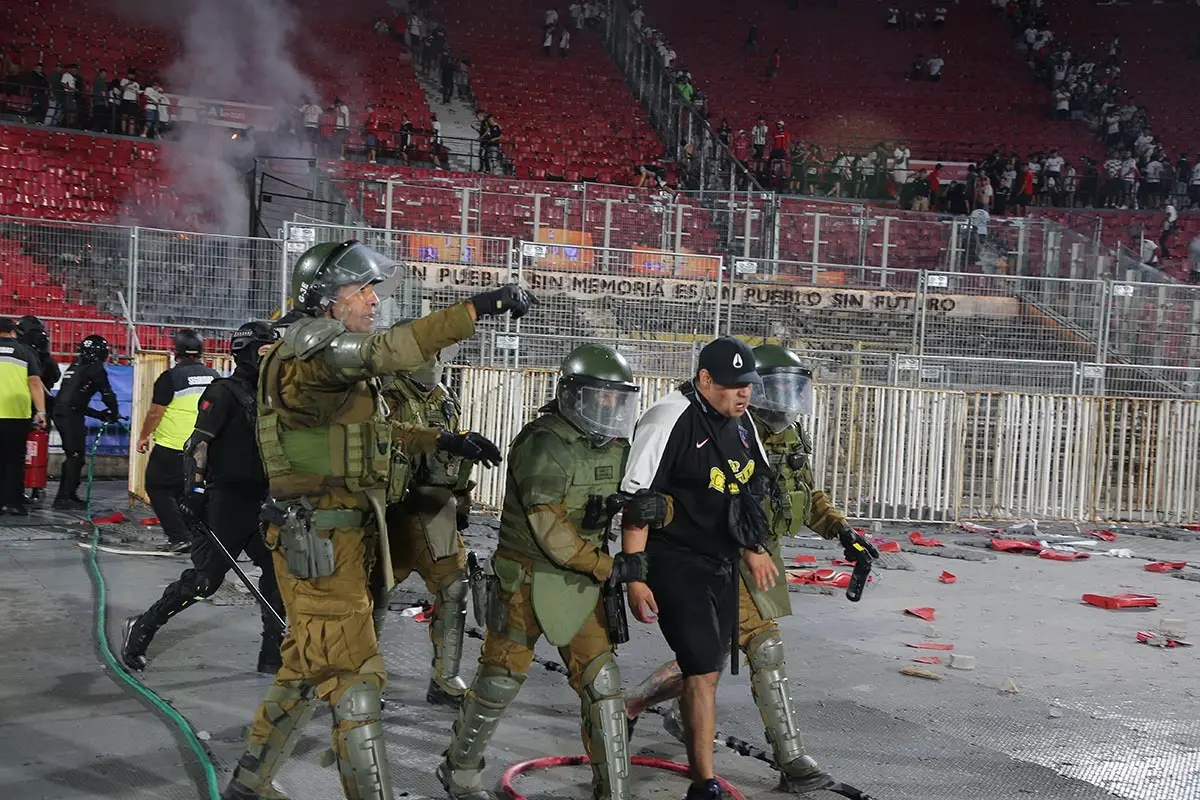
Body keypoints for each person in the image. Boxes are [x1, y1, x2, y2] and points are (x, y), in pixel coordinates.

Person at [219, 240, 535, 800]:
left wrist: (443, 438)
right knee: (357, 675)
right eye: (361, 290)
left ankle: (249, 782)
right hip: (320, 538)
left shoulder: (316, 362)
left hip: (336, 534)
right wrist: (477, 308)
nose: (372, 300)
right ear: (326, 300)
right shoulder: (312, 355)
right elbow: (389, 349)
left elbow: (373, 437)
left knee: (307, 664)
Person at [624, 345, 878, 795]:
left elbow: (804, 495)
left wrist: (842, 531)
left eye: (791, 388)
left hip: (757, 551)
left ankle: (641, 703)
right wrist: (636, 571)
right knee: (760, 647)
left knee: (711, 656)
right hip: (718, 553)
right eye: (772, 387)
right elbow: (648, 500)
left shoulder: (783, 436)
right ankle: (791, 759)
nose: (781, 398)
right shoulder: (714, 423)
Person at [438, 344, 645, 800]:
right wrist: (611, 567)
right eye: (601, 396)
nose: (609, 406)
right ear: (574, 395)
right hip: (526, 582)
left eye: (617, 397)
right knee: (499, 680)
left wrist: (657, 505)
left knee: (603, 685)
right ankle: (459, 770)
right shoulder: (543, 442)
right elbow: (551, 532)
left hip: (581, 584)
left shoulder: (616, 445)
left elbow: (637, 496)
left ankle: (614, 790)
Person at [618, 337, 779, 800]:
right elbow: (638, 503)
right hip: (675, 560)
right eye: (732, 386)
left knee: (706, 666)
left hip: (722, 562)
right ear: (705, 379)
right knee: (703, 670)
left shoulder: (741, 421)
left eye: (747, 385)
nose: (743, 394)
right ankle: (703, 781)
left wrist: (753, 547)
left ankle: (632, 706)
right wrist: (635, 575)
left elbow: (748, 492)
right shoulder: (669, 418)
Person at [121, 322, 285, 674]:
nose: (272, 359)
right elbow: (198, 443)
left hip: (263, 500)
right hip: (226, 501)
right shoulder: (223, 392)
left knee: (278, 576)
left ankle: (274, 656)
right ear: (247, 353)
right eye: (264, 352)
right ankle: (142, 627)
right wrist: (194, 492)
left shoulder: (275, 397)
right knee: (205, 581)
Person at [376, 346, 503, 706]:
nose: (431, 362)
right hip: (393, 508)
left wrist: (462, 500)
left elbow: (452, 458)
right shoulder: (385, 393)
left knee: (454, 588)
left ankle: (445, 678)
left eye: (436, 354)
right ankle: (361, 679)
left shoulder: (444, 397)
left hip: (437, 509)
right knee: (375, 593)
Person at [136, 330, 220, 553]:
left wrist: (143, 436)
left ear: (176, 353)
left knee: (158, 487)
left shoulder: (170, 378)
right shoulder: (214, 375)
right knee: (191, 492)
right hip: (204, 447)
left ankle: (179, 537)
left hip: (174, 446)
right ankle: (197, 536)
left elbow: (155, 413)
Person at [52, 335, 120, 510]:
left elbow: (74, 401)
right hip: (69, 415)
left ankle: (69, 495)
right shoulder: (94, 368)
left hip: (65, 412)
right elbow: (107, 394)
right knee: (74, 456)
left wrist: (100, 415)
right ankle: (63, 498)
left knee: (76, 456)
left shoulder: (76, 365)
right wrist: (114, 412)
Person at [0, 318, 46, 515]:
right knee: (15, 460)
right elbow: (35, 383)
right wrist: (41, 411)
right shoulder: (26, 352)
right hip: (17, 415)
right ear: (12, 332)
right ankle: (13, 502)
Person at [16, 316, 59, 504]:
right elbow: (54, 376)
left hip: (23, 408)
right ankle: (36, 487)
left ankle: (19, 489)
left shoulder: (22, 353)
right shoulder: (45, 359)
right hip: (41, 408)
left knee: (18, 452)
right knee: (37, 450)